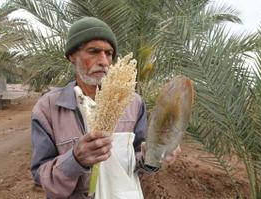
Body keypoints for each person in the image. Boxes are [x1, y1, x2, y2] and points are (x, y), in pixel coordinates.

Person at [31, 16, 181, 199]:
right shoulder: (48, 108)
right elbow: (40, 176)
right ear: (72, 56)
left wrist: (155, 156)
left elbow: (138, 162)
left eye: (109, 53)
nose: (103, 61)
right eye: (93, 51)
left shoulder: (133, 103)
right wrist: (75, 159)